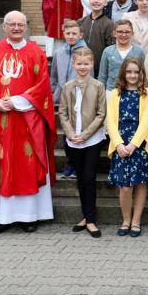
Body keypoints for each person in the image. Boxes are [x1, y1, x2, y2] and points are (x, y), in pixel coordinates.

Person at [0, 11, 57, 234]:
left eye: (21, 24)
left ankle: (29, 216)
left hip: (26, 120)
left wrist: (17, 101)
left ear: (26, 27)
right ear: (4, 26)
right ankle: (3, 217)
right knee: (0, 165)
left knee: (27, 165)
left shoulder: (35, 52)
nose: (17, 28)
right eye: (12, 24)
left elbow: (42, 86)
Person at [106, 57, 148, 237]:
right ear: (123, 72)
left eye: (136, 72)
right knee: (125, 186)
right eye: (129, 71)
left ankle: (136, 221)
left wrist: (133, 144)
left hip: (141, 144)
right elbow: (111, 121)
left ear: (141, 74)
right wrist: (119, 144)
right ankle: (125, 220)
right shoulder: (115, 93)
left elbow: (147, 121)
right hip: (121, 144)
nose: (132, 75)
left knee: (140, 183)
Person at [58, 48, 106, 238]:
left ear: (92, 64)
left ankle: (92, 219)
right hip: (73, 139)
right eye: (79, 64)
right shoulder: (68, 86)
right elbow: (62, 112)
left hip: (92, 139)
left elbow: (101, 114)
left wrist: (85, 135)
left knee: (89, 178)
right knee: (80, 179)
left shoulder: (98, 86)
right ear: (73, 64)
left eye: (86, 64)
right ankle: (85, 216)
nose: (83, 67)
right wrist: (70, 133)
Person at [50, 20, 89, 180]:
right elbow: (53, 76)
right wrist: (53, 95)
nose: (71, 36)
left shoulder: (85, 52)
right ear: (63, 34)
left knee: (78, 133)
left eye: (74, 33)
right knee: (67, 133)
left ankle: (76, 165)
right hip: (62, 99)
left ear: (80, 34)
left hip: (80, 98)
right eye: (68, 33)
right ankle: (71, 163)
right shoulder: (59, 52)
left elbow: (90, 75)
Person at [98, 20, 146, 92]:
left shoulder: (139, 51)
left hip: (133, 91)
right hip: (111, 90)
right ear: (114, 33)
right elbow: (102, 76)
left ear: (132, 33)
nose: (123, 35)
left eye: (127, 32)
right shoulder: (107, 51)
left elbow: (144, 74)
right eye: (120, 32)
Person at [78, 0, 114, 77]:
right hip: (80, 67)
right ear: (89, 1)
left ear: (105, 3)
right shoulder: (81, 22)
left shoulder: (109, 24)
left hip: (98, 69)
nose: (96, 1)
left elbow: (110, 48)